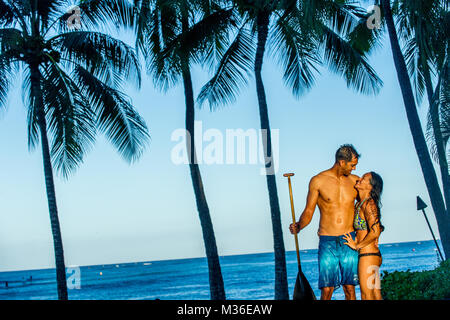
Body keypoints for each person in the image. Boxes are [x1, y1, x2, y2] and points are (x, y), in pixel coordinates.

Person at [289, 144, 360, 300]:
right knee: (327, 290)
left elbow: (366, 207)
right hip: (327, 241)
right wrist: (299, 225)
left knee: (350, 288)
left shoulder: (356, 182)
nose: (354, 169)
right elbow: (309, 211)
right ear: (342, 162)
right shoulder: (318, 181)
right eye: (352, 165)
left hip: (350, 239)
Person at [343, 172, 384, 300]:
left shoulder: (369, 204)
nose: (359, 179)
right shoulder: (361, 204)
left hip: (368, 256)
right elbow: (378, 227)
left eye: (364, 179)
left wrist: (357, 245)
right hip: (371, 255)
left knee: (367, 296)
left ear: (371, 186)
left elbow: (375, 230)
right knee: (376, 296)